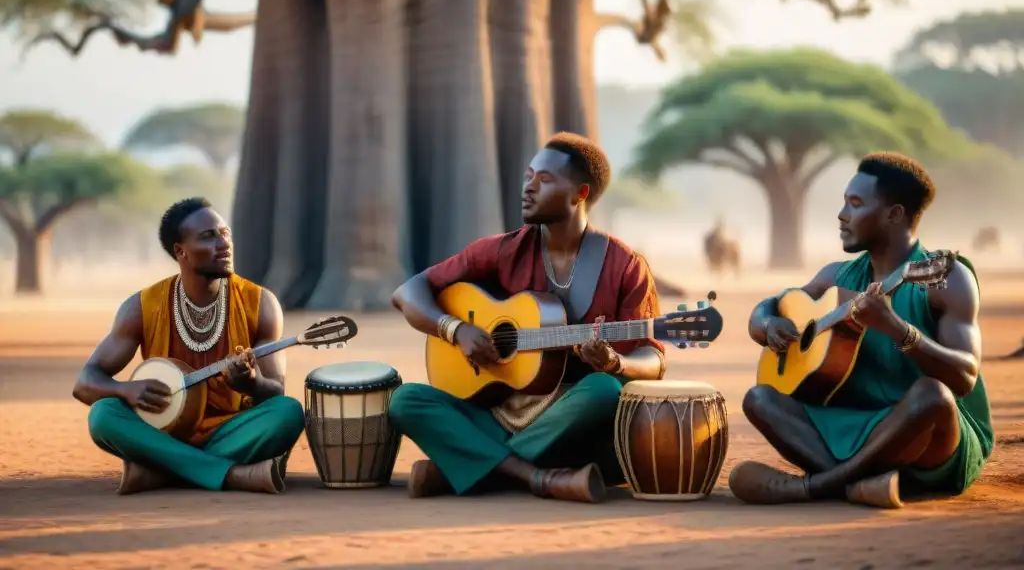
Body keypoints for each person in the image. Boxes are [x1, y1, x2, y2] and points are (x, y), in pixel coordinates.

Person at [388, 132, 667, 504]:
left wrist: (614, 362)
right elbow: (407, 292)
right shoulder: (502, 251)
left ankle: (472, 466)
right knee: (406, 400)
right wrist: (456, 329)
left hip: (571, 423)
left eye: (545, 179)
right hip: (498, 412)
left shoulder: (624, 266)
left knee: (604, 391)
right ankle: (536, 477)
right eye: (528, 176)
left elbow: (653, 358)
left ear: (580, 195)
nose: (529, 187)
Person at [730, 152, 993, 508]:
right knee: (759, 398)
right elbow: (768, 307)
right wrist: (768, 324)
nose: (842, 215)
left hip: (923, 437)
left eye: (855, 204)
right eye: (844, 202)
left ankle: (817, 487)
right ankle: (861, 484)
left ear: (893, 215)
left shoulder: (945, 278)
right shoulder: (834, 278)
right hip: (849, 426)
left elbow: (964, 377)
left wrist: (896, 329)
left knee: (933, 396)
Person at [72, 197, 306, 495]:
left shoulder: (260, 304)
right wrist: (125, 390)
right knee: (104, 414)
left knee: (287, 412)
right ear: (180, 251)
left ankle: (161, 472)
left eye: (225, 233)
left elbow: (276, 391)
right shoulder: (142, 307)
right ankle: (234, 475)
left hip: (232, 431)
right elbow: (85, 383)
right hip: (162, 431)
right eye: (208, 236)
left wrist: (252, 382)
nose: (224, 243)